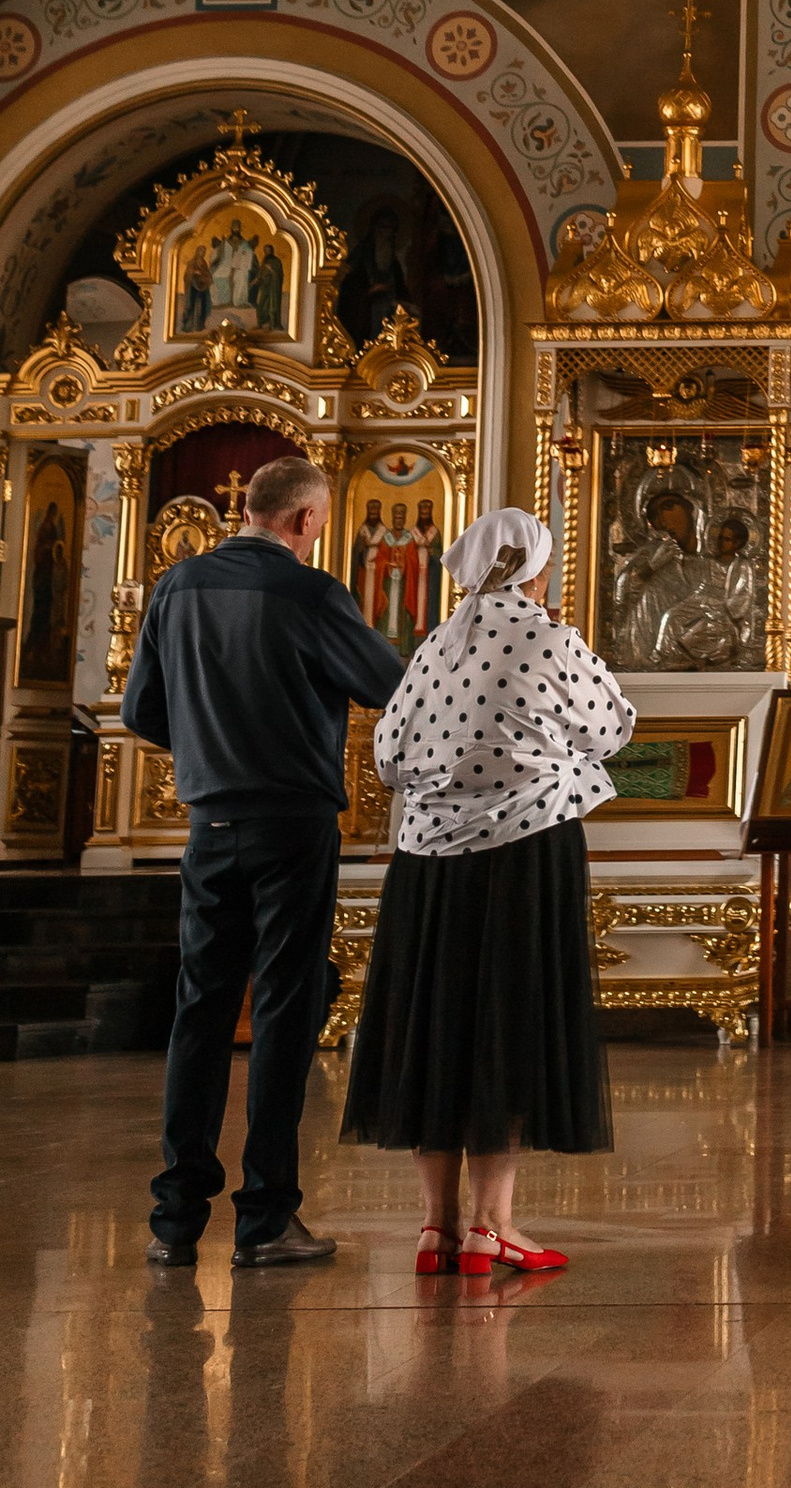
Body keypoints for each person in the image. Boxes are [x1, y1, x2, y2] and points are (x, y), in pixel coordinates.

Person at [123, 452, 406, 1271]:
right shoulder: (311, 592)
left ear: (248, 509)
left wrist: (215, 749)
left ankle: (173, 1223)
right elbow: (389, 683)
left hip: (209, 822)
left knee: (200, 1011)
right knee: (286, 1007)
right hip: (292, 822)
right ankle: (266, 1219)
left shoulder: (176, 587)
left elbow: (144, 709)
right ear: (307, 520)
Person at [341, 505, 634, 1278]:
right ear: (536, 567)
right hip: (526, 850)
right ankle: (490, 1226)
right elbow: (611, 728)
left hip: (428, 863)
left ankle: (435, 1229)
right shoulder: (548, 635)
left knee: (434, 1025)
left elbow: (389, 756)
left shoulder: (432, 646)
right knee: (510, 1019)